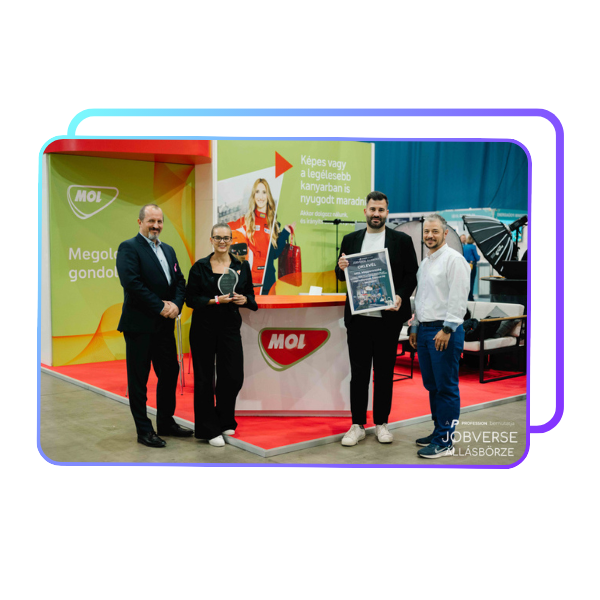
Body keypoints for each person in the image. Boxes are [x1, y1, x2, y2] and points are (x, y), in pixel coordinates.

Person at [335, 191, 418, 446]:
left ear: (387, 212)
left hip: (387, 320)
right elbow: (340, 275)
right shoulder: (350, 240)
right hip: (359, 320)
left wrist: (400, 296)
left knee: (384, 373)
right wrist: (340, 267)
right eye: (372, 209)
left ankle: (382, 423)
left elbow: (411, 275)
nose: (376, 214)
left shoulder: (401, 240)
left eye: (381, 210)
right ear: (365, 211)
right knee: (359, 374)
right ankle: (357, 425)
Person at [116, 204, 193, 447]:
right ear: (140, 222)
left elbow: (179, 281)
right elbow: (132, 284)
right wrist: (160, 306)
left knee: (169, 373)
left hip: (164, 326)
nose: (156, 226)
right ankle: (144, 430)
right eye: (151, 221)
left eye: (159, 221)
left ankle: (166, 422)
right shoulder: (129, 247)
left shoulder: (168, 249)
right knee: (139, 381)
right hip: (139, 326)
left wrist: (177, 305)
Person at [185, 223, 258, 447]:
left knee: (233, 376)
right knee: (204, 379)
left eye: (226, 238)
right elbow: (190, 299)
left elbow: (251, 296)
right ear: (211, 240)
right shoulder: (200, 267)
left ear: (231, 240)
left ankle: (225, 419)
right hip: (203, 328)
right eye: (218, 238)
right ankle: (208, 429)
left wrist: (244, 299)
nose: (222, 242)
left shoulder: (241, 266)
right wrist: (215, 300)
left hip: (229, 328)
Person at [409, 214, 470, 458]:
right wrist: (415, 326)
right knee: (432, 386)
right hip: (425, 331)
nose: (430, 236)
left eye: (435, 231)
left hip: (444, 331)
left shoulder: (454, 260)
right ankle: (438, 431)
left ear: (445, 233)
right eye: (426, 232)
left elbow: (458, 297)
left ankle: (445, 441)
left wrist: (447, 329)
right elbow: (421, 297)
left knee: (446, 387)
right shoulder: (426, 263)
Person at [228, 178, 295, 294]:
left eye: (264, 192)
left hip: (268, 280)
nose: (260, 196)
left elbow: (274, 254)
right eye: (257, 192)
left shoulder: (274, 223)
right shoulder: (245, 221)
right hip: (250, 281)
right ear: (253, 196)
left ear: (268, 196)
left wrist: (285, 233)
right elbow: (225, 230)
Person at [463, 235, 480, 301]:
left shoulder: (464, 246)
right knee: (471, 281)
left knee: (466, 281)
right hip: (472, 265)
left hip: (465, 265)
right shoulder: (473, 247)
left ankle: (466, 296)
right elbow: (477, 258)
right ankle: (470, 296)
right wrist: (479, 257)